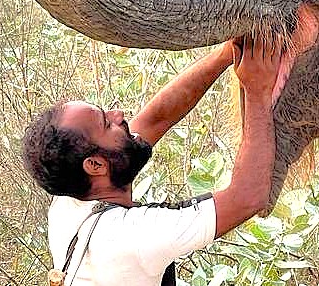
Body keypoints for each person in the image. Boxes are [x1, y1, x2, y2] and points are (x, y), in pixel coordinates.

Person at [22, 31, 291, 286]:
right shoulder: (134, 237)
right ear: (95, 165)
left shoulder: (70, 198)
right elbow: (248, 198)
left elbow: (156, 118)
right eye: (106, 123)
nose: (118, 115)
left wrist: (226, 53)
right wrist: (257, 90)